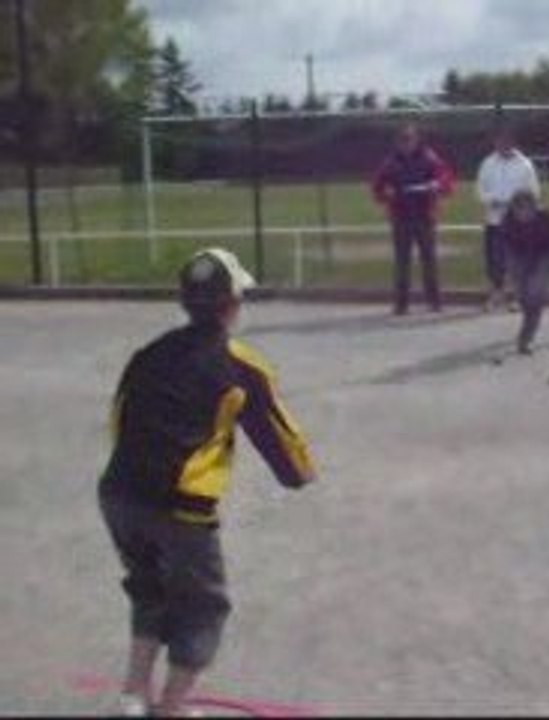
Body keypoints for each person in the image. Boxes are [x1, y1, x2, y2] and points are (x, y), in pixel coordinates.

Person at [98, 248, 318, 717]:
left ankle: (134, 695)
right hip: (181, 505)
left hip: (119, 491)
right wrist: (300, 474)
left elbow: (119, 419)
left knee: (148, 587)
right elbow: (283, 443)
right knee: (203, 606)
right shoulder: (240, 364)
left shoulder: (148, 353)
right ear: (233, 304)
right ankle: (171, 709)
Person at [372, 124, 455, 315]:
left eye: (409, 139)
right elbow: (377, 187)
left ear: (417, 140)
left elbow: (447, 179)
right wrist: (385, 193)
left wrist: (437, 184)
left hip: (425, 216)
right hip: (400, 218)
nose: (406, 143)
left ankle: (434, 302)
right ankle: (401, 304)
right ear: (397, 142)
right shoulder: (390, 162)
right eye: (402, 139)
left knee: (429, 260)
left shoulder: (429, 157)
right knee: (402, 262)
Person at [476, 125, 541, 312]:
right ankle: (496, 295)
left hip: (518, 221)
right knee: (494, 261)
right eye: (499, 141)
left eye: (507, 141)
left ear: (513, 142)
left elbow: (534, 192)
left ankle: (517, 297)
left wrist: (520, 206)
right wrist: (491, 200)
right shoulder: (487, 163)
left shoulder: (525, 164)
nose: (503, 144)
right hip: (494, 220)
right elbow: (480, 190)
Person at [501, 190, 549, 355]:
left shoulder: (547, 217)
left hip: (546, 254)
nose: (523, 216)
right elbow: (503, 247)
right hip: (519, 254)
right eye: (519, 212)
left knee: (536, 293)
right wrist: (503, 272)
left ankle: (526, 338)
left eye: (527, 211)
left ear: (534, 208)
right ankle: (529, 317)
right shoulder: (508, 221)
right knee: (522, 295)